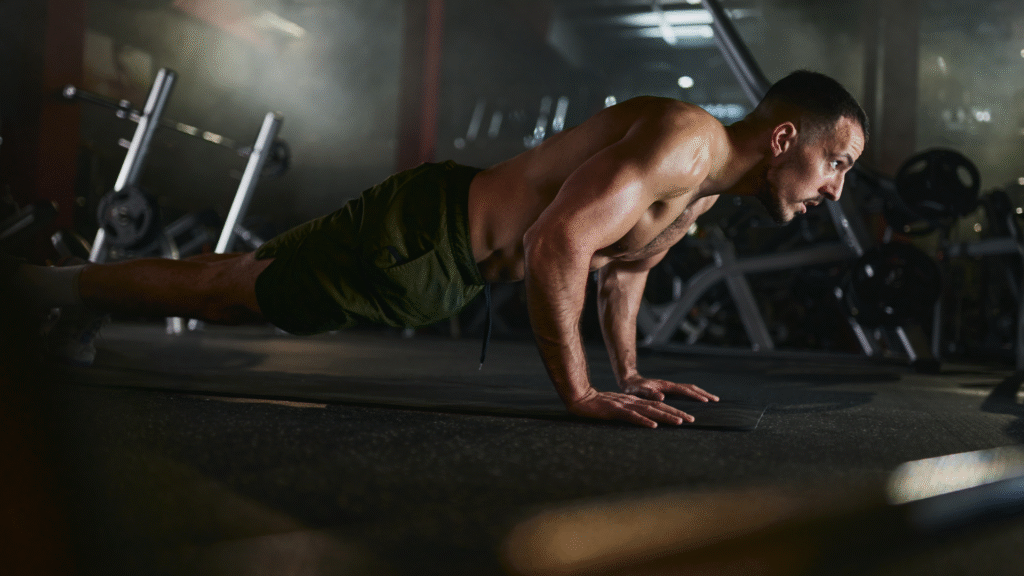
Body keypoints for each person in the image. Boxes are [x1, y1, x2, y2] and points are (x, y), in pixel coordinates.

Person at [8, 70, 867, 428]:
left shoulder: (707, 184)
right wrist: (579, 392)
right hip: (425, 242)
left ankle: (58, 293)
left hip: (434, 252)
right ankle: (43, 289)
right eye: (837, 163)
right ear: (787, 136)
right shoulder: (687, 142)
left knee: (230, 280)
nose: (837, 187)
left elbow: (623, 269)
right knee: (229, 293)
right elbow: (559, 242)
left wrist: (632, 373)